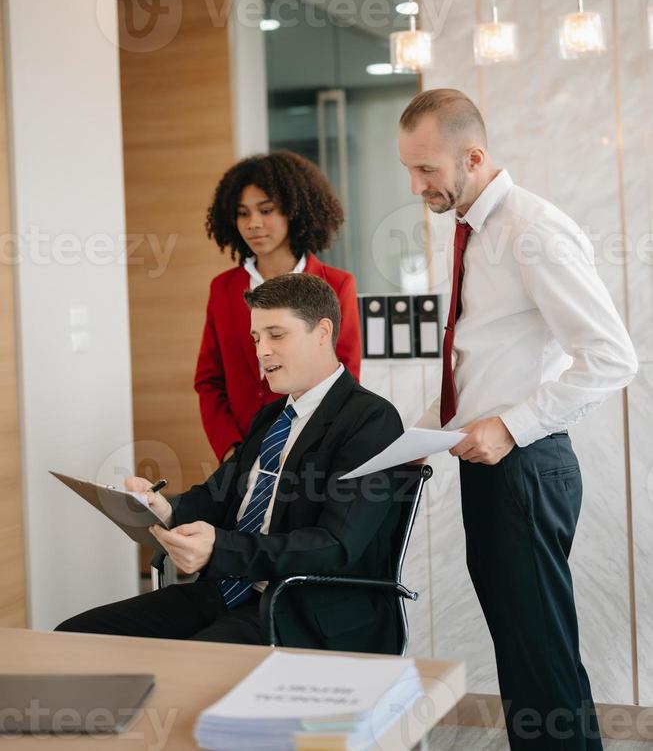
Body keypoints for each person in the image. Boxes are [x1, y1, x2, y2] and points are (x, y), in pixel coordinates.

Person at [398, 88, 637, 751]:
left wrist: (507, 427)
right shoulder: (475, 229)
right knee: (528, 664)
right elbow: (483, 361)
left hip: (525, 468)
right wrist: (422, 432)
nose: (416, 186)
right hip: (495, 468)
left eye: (427, 170)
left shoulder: (530, 229)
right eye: (409, 171)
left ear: (472, 156)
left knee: (542, 669)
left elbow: (611, 358)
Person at [57, 274, 404, 652]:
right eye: (257, 338)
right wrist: (163, 508)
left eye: (276, 335)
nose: (261, 351)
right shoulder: (270, 419)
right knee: (75, 638)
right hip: (227, 592)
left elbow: (335, 546)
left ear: (322, 332)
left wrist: (219, 550)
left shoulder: (370, 420)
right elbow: (217, 497)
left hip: (304, 608)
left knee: (194, 665)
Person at [195, 151, 362, 463]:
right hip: (240, 456)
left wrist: (314, 449)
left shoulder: (337, 285)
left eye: (266, 210)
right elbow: (209, 380)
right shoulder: (223, 289)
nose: (253, 224)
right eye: (243, 213)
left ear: (294, 212)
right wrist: (230, 449)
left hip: (310, 453)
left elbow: (345, 377)